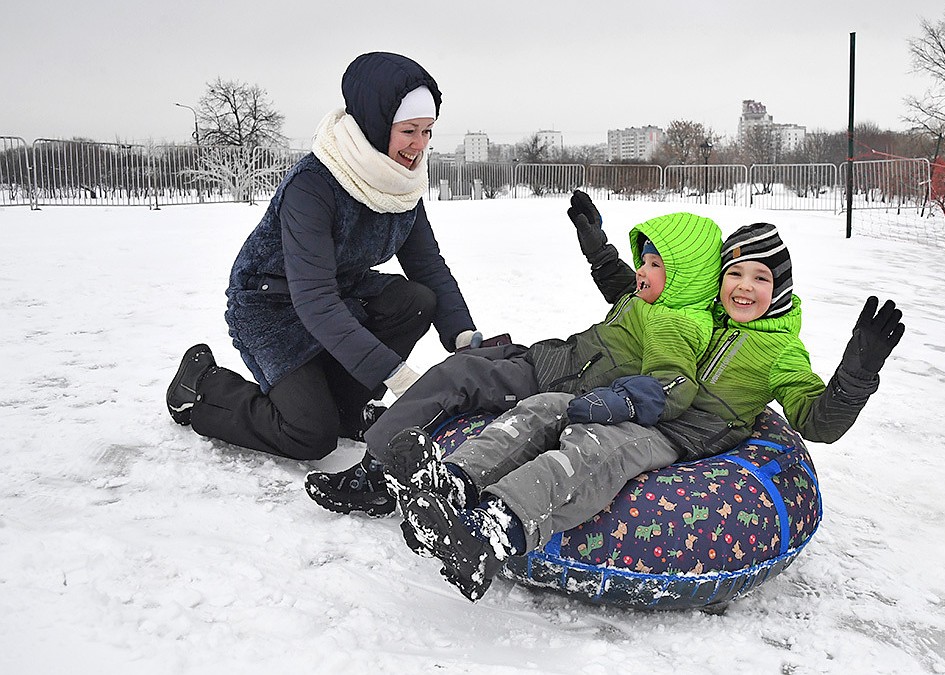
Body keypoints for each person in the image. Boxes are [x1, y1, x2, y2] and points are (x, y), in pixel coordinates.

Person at [398, 206, 905, 601]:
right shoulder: (700, 311)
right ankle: (454, 481)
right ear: (717, 280)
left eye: (761, 278)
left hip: (678, 435)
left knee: (594, 450)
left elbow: (816, 422)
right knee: (543, 408)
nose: (744, 287)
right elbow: (636, 292)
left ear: (779, 290)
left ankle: (496, 529)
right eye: (735, 275)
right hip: (643, 401)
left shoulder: (779, 352)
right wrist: (601, 253)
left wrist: (855, 375)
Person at [304, 197, 724, 524]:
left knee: (458, 373)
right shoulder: (654, 300)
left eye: (655, 264)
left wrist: (624, 402)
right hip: (551, 358)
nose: (641, 272)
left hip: (557, 384)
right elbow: (623, 288)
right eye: (644, 261)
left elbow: (673, 382)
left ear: (687, 274)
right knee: (477, 356)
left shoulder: (676, 325)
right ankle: (396, 420)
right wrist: (599, 250)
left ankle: (377, 476)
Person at [164, 52, 481, 463]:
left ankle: (348, 409)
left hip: (341, 292)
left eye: (427, 131)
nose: (418, 146)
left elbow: (427, 266)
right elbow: (313, 298)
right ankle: (202, 386)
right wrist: (393, 374)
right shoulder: (314, 185)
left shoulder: (400, 184)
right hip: (271, 306)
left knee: (416, 300)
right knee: (309, 434)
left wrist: (465, 337)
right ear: (376, 123)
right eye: (408, 131)